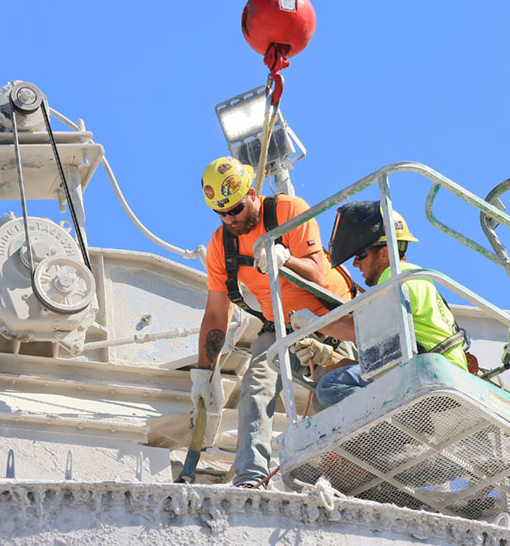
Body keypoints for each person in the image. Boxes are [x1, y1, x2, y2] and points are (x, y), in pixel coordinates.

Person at [190, 156, 355, 487]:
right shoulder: (221, 246)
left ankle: (329, 477)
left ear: (252, 193)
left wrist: (285, 259)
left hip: (332, 321)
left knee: (332, 393)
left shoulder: (288, 211)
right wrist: (203, 375)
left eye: (235, 209)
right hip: (280, 325)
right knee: (257, 383)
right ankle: (251, 476)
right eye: (220, 213)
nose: (229, 218)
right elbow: (215, 315)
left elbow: (318, 274)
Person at [290, 200, 467, 408]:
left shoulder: (395, 276)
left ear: (384, 254)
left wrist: (313, 323)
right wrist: (327, 356)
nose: (356, 263)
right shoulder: (413, 277)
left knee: (331, 386)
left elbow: (359, 329)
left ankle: (392, 437)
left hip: (429, 377)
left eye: (360, 255)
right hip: (436, 376)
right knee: (339, 381)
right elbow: (376, 370)